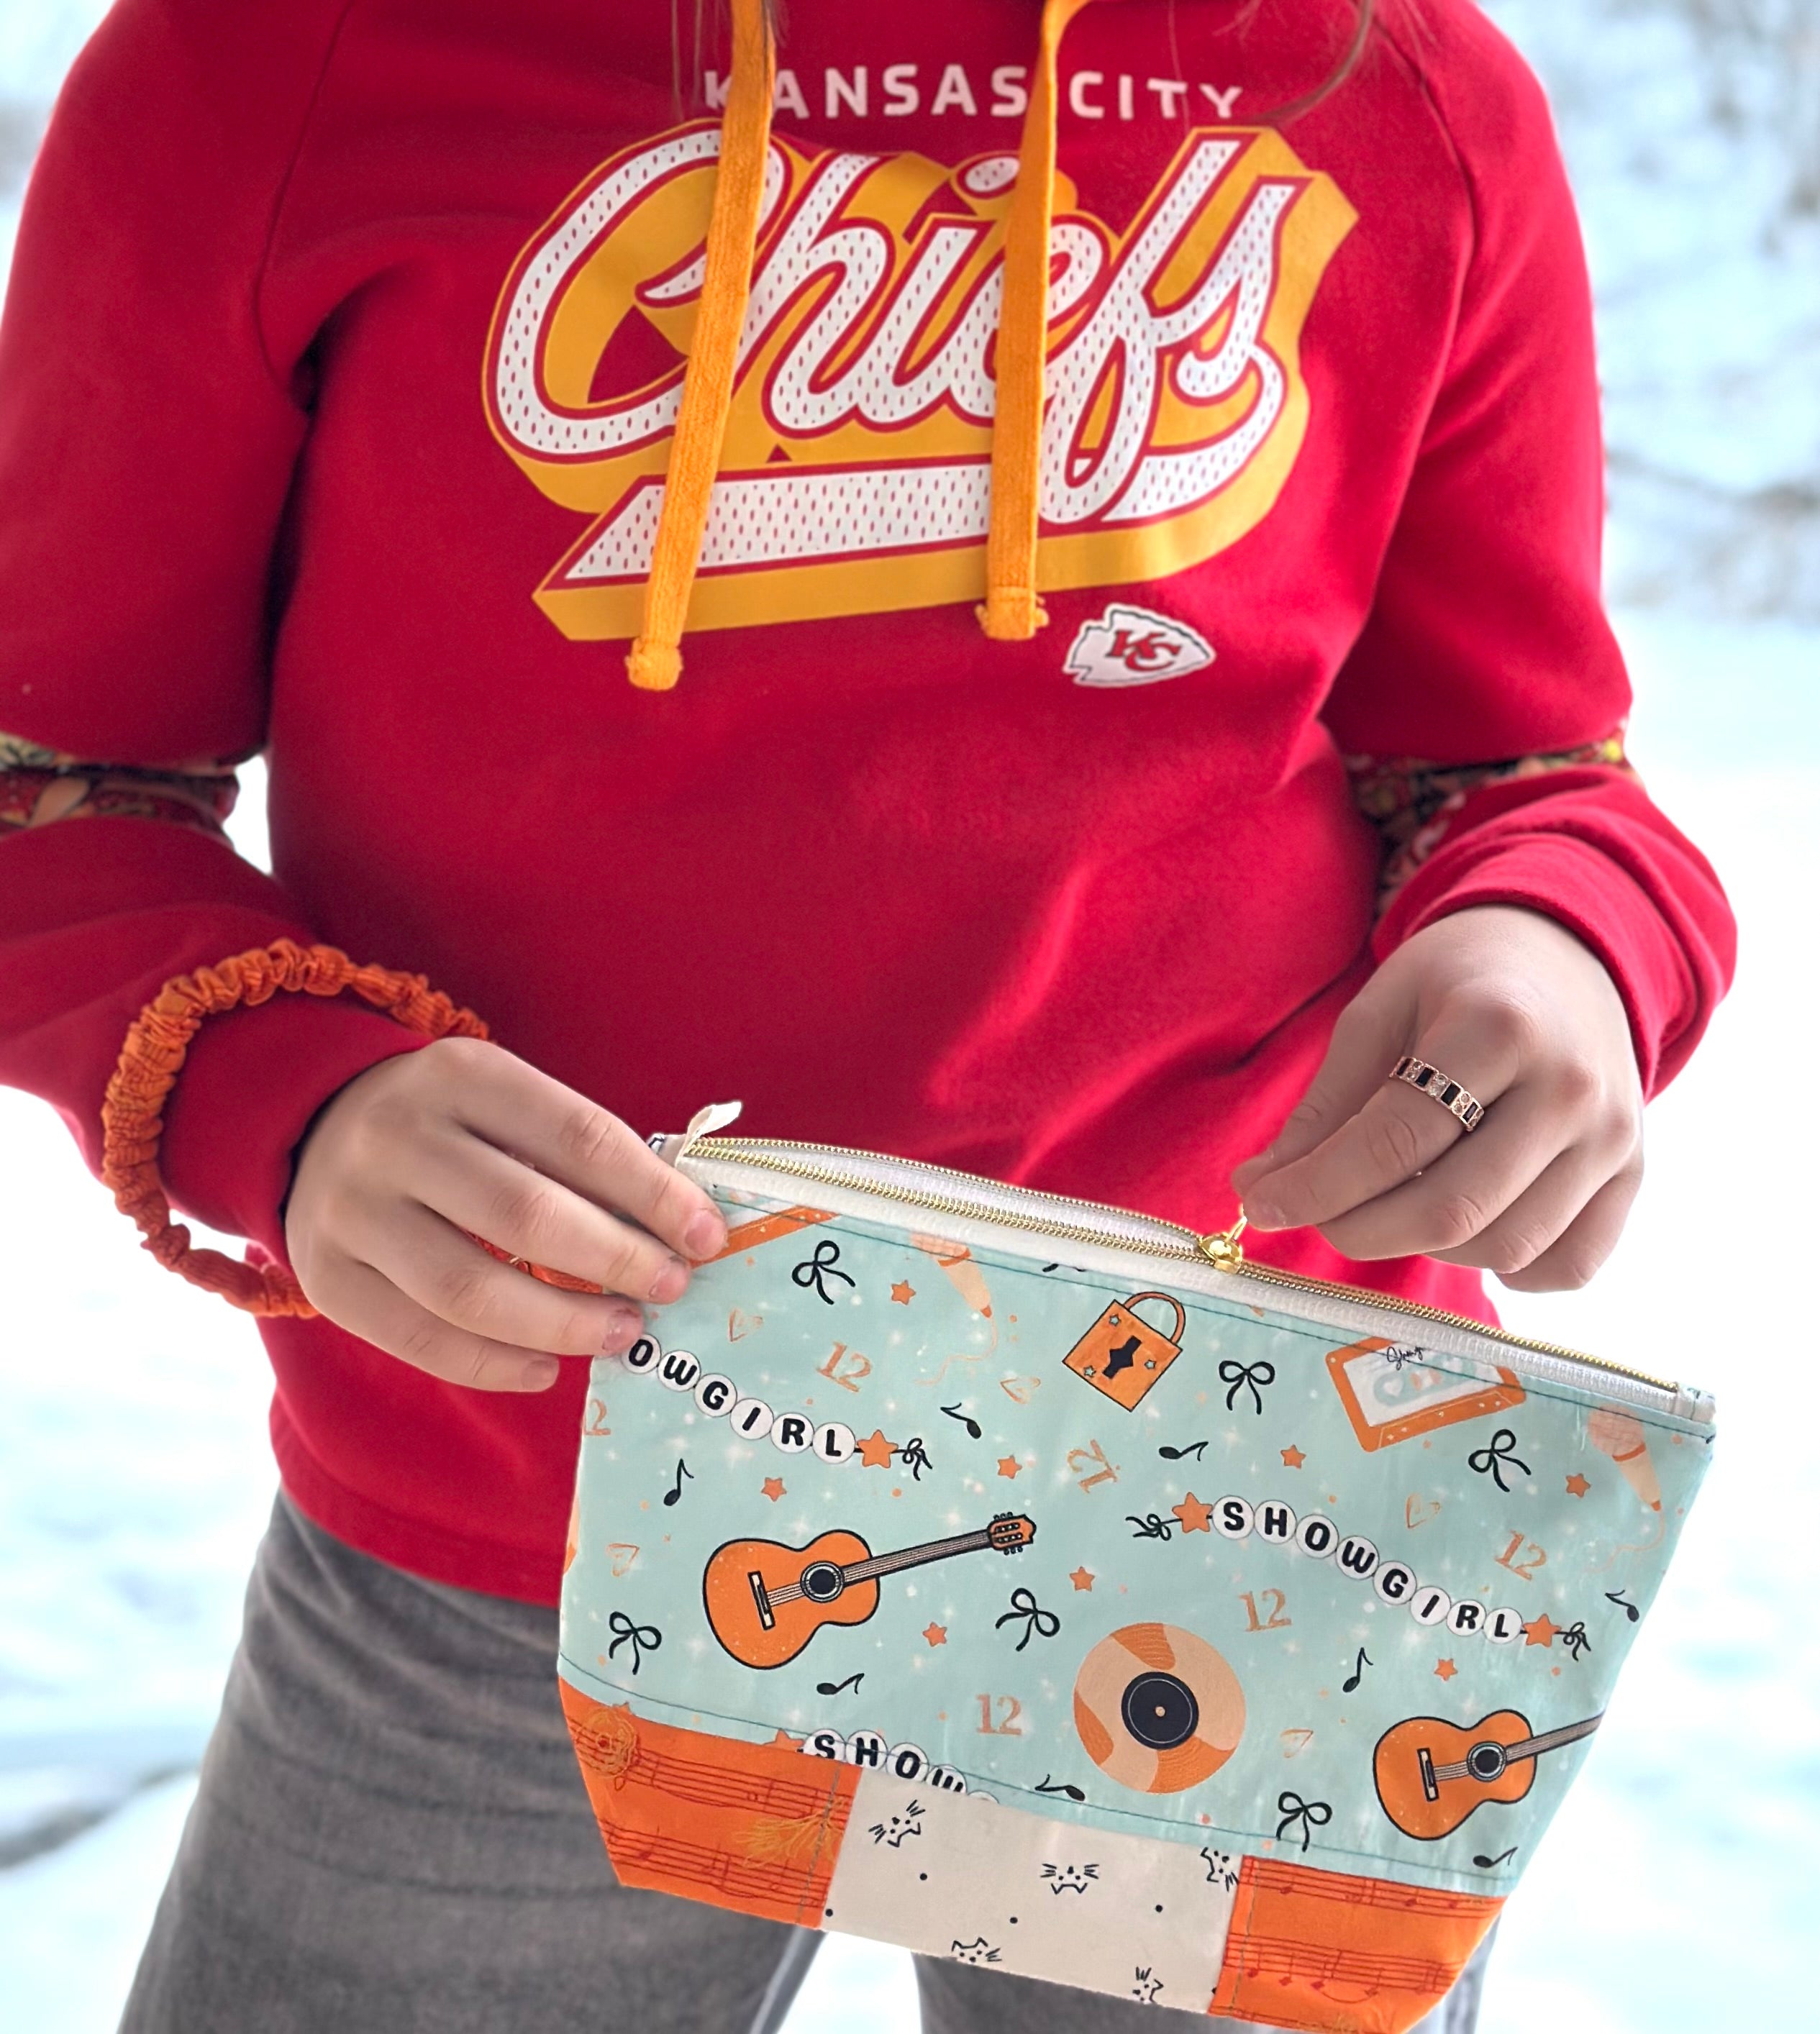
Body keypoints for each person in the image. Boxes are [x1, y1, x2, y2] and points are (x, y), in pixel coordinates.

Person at [0, 0, 1732, 2028]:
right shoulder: (277, 58)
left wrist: (1559, 942)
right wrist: (285, 1096)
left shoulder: (1398, 89)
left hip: (1246, 1496)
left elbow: (1520, 768)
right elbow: (56, 786)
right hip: (523, 1510)